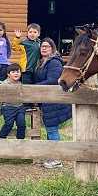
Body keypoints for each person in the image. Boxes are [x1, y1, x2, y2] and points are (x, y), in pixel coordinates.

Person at [34, 38, 72, 169]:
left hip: (53, 100)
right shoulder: (42, 62)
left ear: (52, 48)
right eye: (42, 46)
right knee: (50, 128)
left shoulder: (54, 62)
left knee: (52, 128)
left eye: (47, 46)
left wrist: (34, 87)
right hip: (46, 100)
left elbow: (52, 80)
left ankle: (56, 158)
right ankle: (52, 155)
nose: (44, 48)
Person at [12, 23, 41, 110]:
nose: (32, 34)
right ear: (27, 33)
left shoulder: (39, 43)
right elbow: (14, 47)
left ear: (38, 34)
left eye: (35, 32)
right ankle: (26, 104)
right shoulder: (24, 43)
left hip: (35, 69)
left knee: (33, 85)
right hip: (26, 68)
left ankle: (32, 103)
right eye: (30, 32)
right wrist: (17, 38)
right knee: (26, 86)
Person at [0, 64, 25, 140]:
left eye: (18, 72)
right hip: (8, 106)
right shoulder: (4, 84)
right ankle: (1, 138)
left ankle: (20, 140)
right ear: (8, 74)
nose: (16, 73)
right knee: (9, 124)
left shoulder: (20, 84)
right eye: (13, 72)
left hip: (19, 106)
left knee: (21, 124)